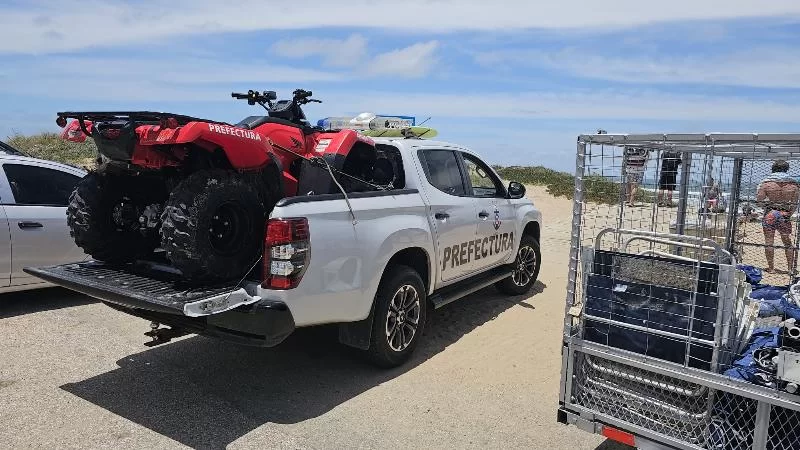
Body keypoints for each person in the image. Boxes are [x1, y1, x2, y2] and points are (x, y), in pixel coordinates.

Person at [756, 159, 800, 273]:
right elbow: (795, 203)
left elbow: (759, 201)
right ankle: (790, 269)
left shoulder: (767, 183)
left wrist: (767, 207)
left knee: (769, 241)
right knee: (787, 242)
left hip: (770, 213)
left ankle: (771, 268)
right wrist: (789, 213)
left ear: (773, 169)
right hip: (784, 213)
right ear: (787, 169)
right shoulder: (794, 185)